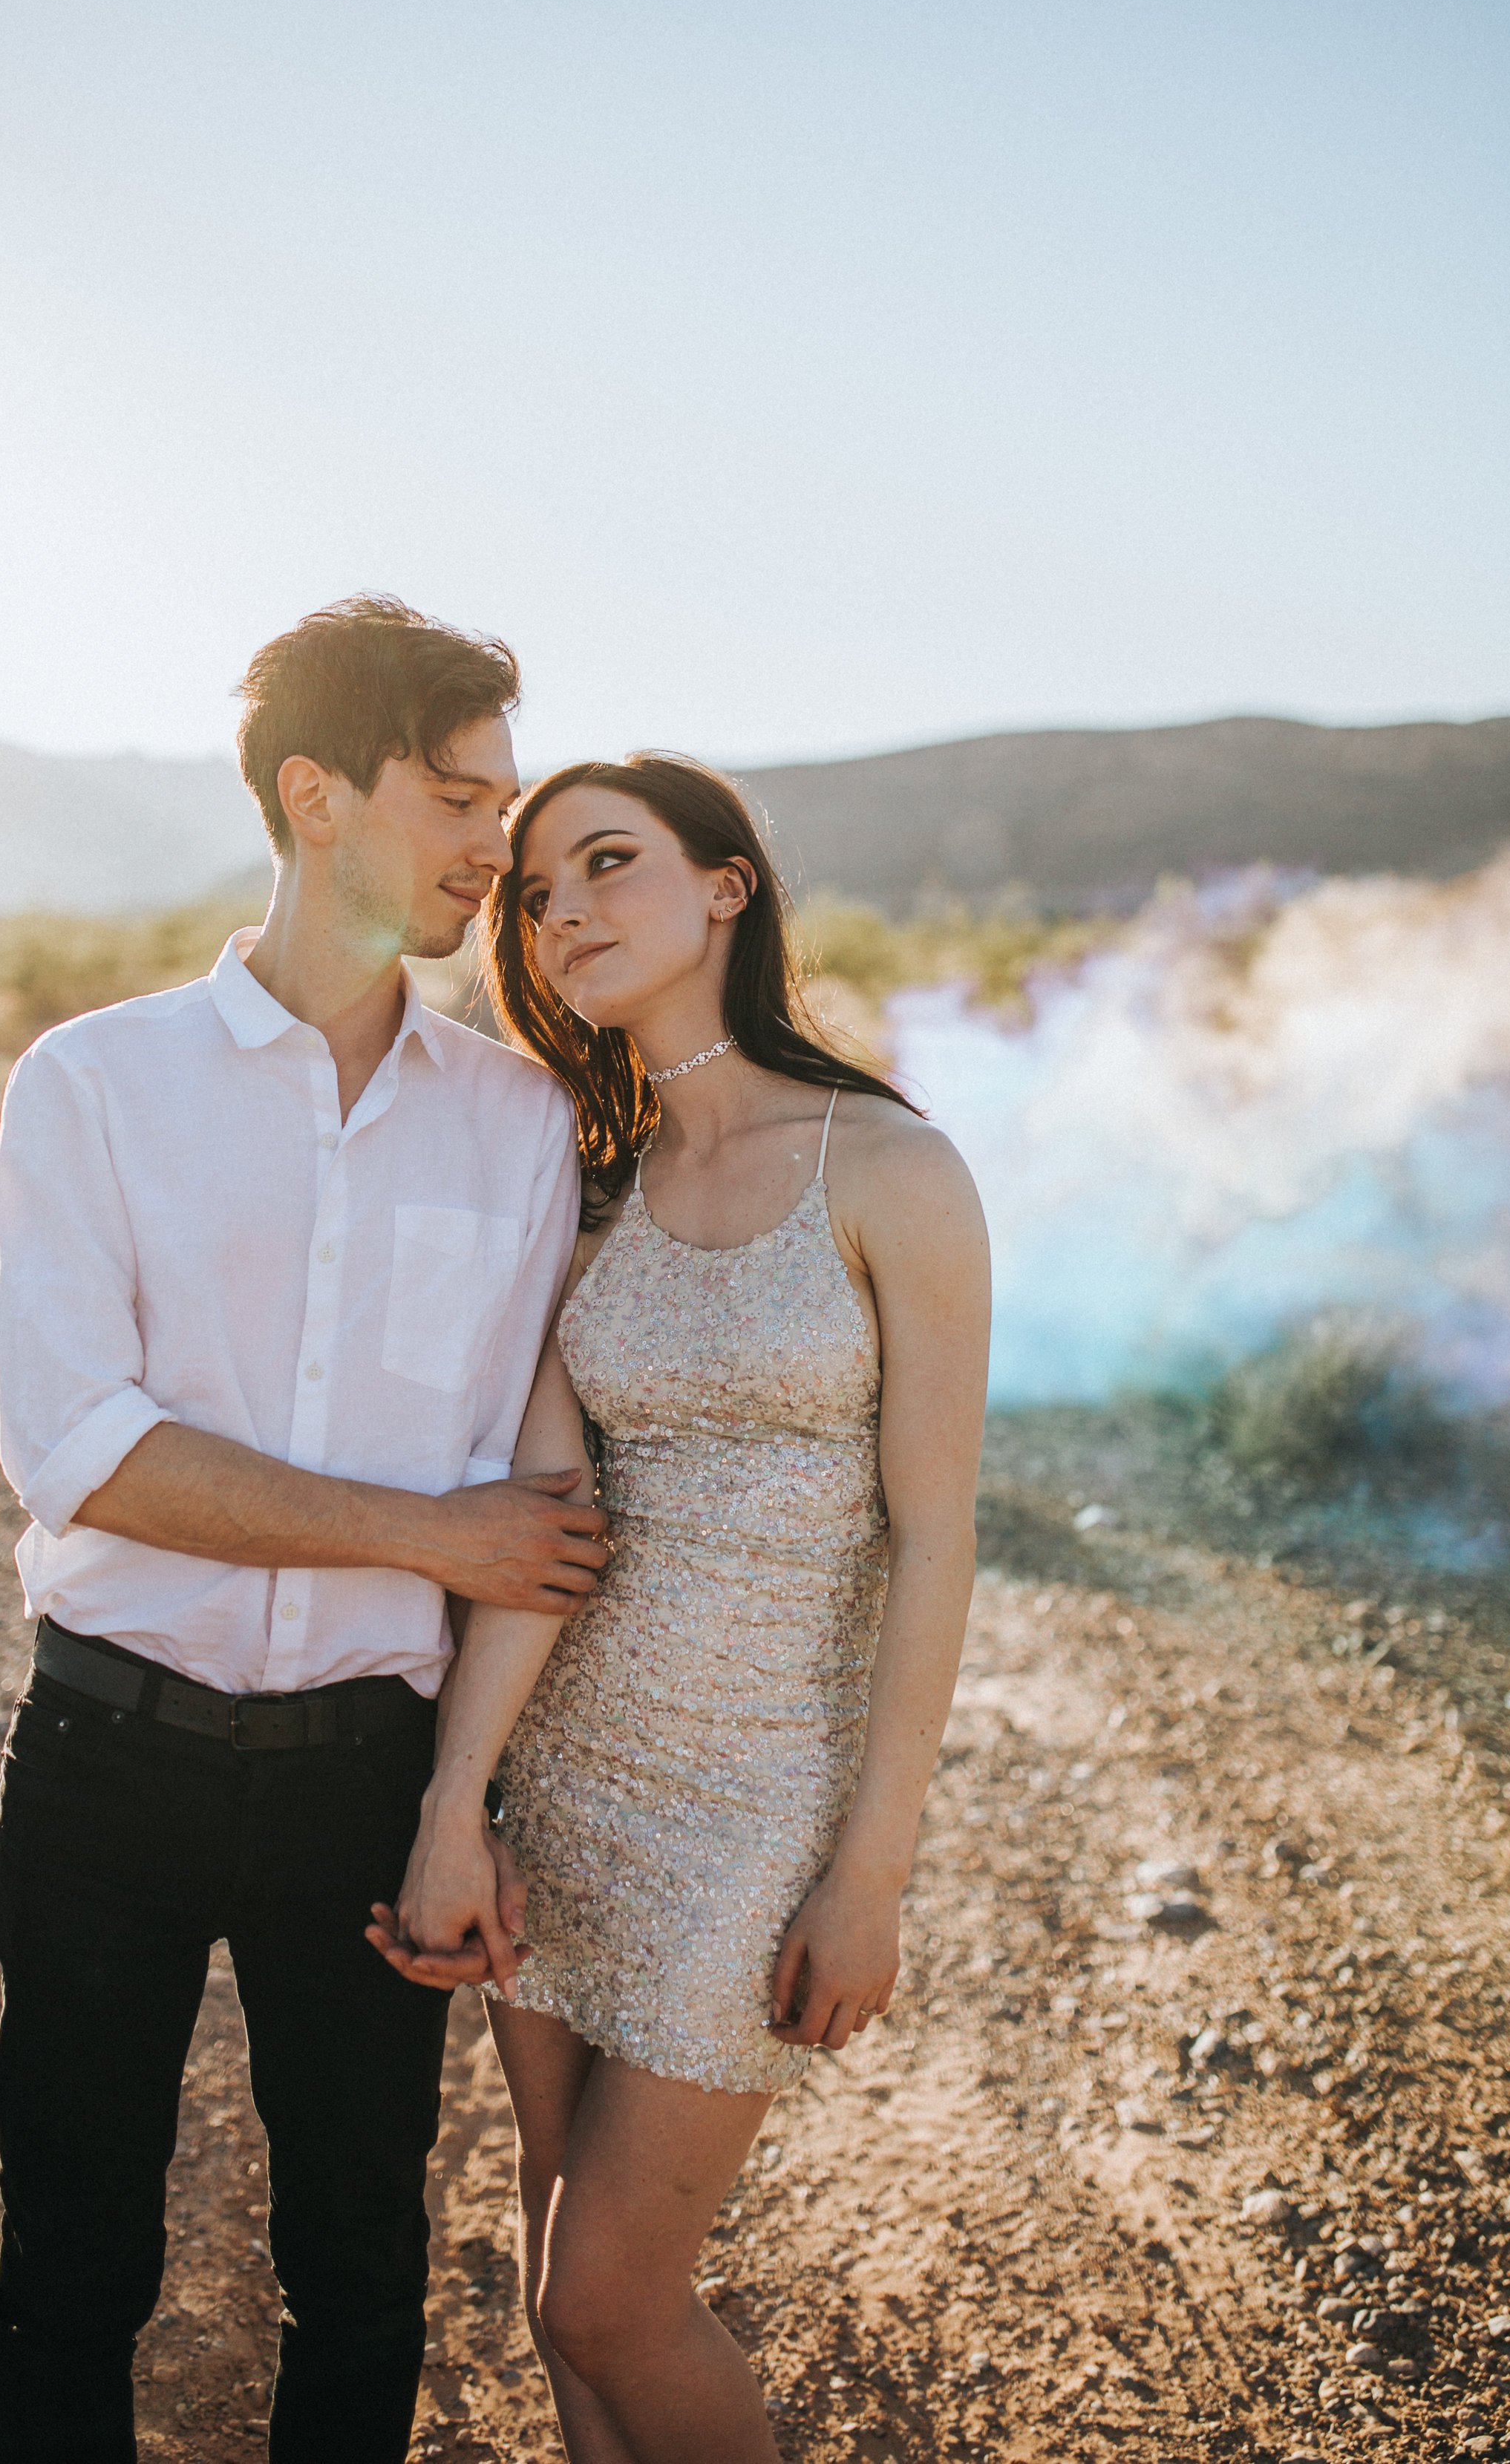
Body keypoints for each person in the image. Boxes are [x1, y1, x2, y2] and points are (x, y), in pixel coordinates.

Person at [0, 598, 608, 2464]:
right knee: (73, 2266)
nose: (497, 844)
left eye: (506, 798)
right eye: (460, 794)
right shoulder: (91, 1085)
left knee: (361, 2272)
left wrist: (451, 1805)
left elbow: (536, 1506)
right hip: (108, 1751)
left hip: (365, 1776)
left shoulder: (518, 1124)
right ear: (315, 795)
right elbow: (88, 1452)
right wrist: (432, 1531)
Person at [368, 754, 990, 2463]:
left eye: (606, 864)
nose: (562, 909)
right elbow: (547, 1525)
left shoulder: (887, 1170)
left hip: (752, 1809)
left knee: (607, 2298)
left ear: (725, 888)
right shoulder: (581, 1195)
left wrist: (869, 1874)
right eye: (534, 890)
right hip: (564, 1779)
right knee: (553, 2275)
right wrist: (456, 1803)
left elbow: (933, 1541)